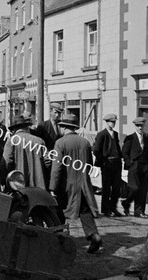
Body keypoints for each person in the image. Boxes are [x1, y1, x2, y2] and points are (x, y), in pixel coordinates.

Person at [50, 113, 102, 254]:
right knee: (85, 211)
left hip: (66, 185)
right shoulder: (85, 142)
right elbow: (89, 165)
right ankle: (94, 235)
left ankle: (61, 239)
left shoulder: (60, 143)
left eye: (61, 126)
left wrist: (52, 187)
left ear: (64, 127)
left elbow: (57, 168)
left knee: (59, 211)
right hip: (84, 184)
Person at [2, 115, 46, 188]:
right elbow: (47, 162)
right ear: (27, 127)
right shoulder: (39, 141)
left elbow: (6, 162)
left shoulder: (12, 141)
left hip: (19, 183)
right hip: (38, 184)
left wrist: (4, 181)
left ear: (14, 129)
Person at [92, 113, 123, 217]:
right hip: (107, 163)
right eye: (111, 122)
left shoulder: (115, 134)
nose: (113, 124)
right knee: (106, 187)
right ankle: (106, 209)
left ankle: (113, 208)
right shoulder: (102, 134)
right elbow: (96, 150)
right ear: (107, 122)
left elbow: (117, 148)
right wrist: (103, 161)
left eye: (114, 122)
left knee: (116, 187)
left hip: (116, 163)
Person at [121, 117, 148, 218]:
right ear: (135, 126)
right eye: (138, 126)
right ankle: (126, 202)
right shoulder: (130, 138)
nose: (140, 128)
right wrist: (130, 163)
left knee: (143, 190)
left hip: (144, 166)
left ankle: (139, 211)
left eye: (141, 126)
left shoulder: (146, 137)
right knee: (135, 188)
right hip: (134, 166)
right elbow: (124, 153)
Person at [34, 102, 64, 189]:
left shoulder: (62, 126)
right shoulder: (43, 126)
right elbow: (38, 143)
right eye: (55, 112)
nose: (57, 115)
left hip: (59, 159)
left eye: (59, 113)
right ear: (50, 112)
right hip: (47, 160)